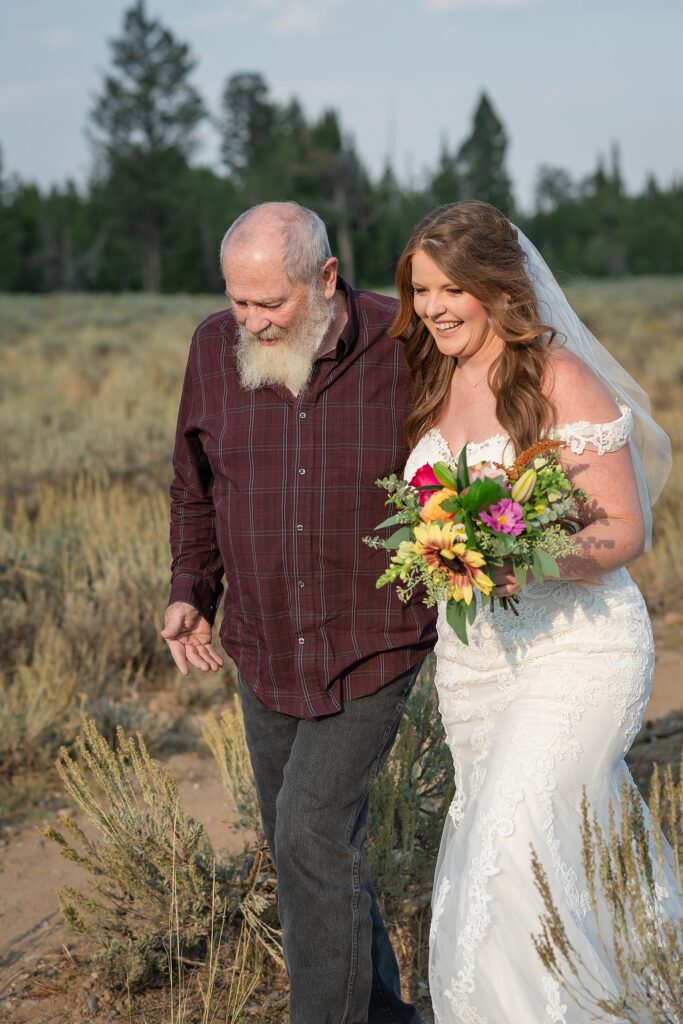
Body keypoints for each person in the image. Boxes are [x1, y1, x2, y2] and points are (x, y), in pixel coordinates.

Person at [395, 200, 675, 1022]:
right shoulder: (435, 380)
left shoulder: (557, 376)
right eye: (420, 291)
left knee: (506, 853)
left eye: (452, 289)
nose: (435, 308)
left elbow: (625, 530)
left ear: (497, 289)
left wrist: (521, 557)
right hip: (476, 668)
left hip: (578, 651)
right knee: (552, 852)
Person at [162, 201, 436, 1024]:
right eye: (238, 301)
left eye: (268, 303)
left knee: (310, 835)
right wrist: (188, 591)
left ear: (325, 278)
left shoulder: (404, 344)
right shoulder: (214, 347)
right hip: (265, 639)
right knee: (308, 854)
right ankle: (383, 1014)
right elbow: (193, 486)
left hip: (374, 636)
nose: (250, 320)